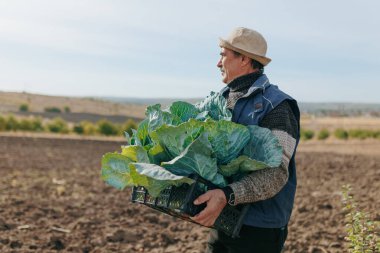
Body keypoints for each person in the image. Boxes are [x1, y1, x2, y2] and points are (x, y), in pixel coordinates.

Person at [190, 27, 300, 253]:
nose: (218, 63)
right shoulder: (219, 101)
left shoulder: (277, 106)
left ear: (244, 59)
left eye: (223, 55)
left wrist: (228, 195)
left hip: (259, 228)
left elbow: (276, 173)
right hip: (224, 220)